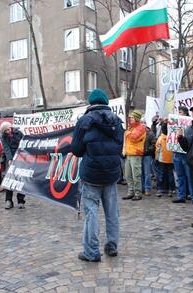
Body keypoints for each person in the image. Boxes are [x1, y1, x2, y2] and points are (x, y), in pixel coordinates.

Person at [71, 88, 124, 262]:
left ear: (91, 103)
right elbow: (119, 147)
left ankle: (91, 252)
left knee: (92, 212)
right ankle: (112, 246)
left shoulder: (84, 121)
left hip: (92, 174)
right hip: (111, 173)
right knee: (112, 212)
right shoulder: (117, 121)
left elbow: (77, 150)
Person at [0, 122, 26, 209]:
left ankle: (21, 200)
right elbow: (6, 147)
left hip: (21, 157)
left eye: (8, 129)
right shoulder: (3, 136)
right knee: (9, 180)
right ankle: (8, 200)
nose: (7, 132)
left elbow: (24, 143)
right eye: (5, 131)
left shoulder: (19, 133)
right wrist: (10, 159)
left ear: (11, 127)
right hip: (10, 158)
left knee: (21, 179)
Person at [122, 110, 146, 201]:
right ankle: (131, 192)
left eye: (132, 117)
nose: (130, 119)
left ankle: (137, 193)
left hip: (136, 154)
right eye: (130, 117)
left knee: (136, 175)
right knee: (128, 175)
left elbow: (133, 138)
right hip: (129, 154)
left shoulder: (141, 128)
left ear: (136, 118)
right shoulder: (130, 129)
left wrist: (127, 133)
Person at [172, 106, 193, 204]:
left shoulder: (190, 124)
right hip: (176, 152)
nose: (178, 114)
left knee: (189, 175)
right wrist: (165, 124)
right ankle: (181, 195)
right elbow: (167, 132)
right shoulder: (174, 123)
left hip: (185, 153)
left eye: (180, 112)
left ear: (185, 114)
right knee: (180, 175)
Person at [155, 121, 175, 197]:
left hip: (162, 159)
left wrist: (156, 158)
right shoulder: (172, 137)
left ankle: (161, 189)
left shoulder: (160, 138)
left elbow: (157, 149)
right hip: (171, 159)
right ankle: (171, 189)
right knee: (170, 174)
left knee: (161, 174)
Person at [140, 118, 156, 196]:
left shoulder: (150, 133)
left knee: (147, 173)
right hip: (139, 155)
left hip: (147, 155)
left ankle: (147, 188)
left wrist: (147, 150)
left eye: (144, 122)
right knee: (141, 173)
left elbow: (154, 144)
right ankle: (142, 188)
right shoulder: (138, 132)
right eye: (141, 122)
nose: (143, 124)